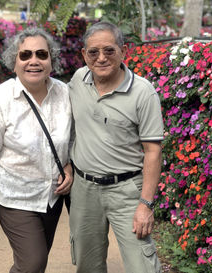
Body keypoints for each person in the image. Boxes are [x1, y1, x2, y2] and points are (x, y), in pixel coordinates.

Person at [0, 27, 73, 273]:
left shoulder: (65, 93)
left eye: (41, 54)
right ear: (13, 62)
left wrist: (69, 165)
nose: (34, 61)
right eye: (25, 55)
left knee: (34, 264)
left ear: (51, 60)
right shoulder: (0, 99)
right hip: (14, 198)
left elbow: (74, 139)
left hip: (52, 198)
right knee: (33, 261)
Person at [68, 21, 163, 273]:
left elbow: (153, 152)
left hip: (127, 192)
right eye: (93, 52)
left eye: (109, 50)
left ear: (123, 51)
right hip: (84, 190)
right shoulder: (78, 80)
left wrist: (145, 204)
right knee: (87, 264)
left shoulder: (143, 93)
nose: (101, 58)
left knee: (142, 266)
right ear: (84, 55)